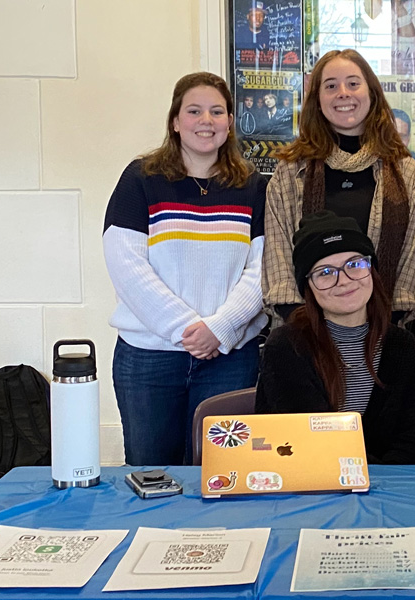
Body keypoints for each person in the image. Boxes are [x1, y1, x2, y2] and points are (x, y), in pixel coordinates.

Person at [103, 72, 267, 466]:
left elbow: (263, 268)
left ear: (230, 123)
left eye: (216, 111)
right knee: (152, 473)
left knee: (225, 473)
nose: (205, 121)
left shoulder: (254, 187)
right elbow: (126, 264)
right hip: (149, 359)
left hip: (230, 356)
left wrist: (220, 329)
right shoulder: (141, 179)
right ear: (175, 121)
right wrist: (189, 331)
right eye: (194, 111)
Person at [263, 49, 415, 332]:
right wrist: (311, 330)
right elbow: (278, 263)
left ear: (372, 93)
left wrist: (376, 332)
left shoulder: (406, 172)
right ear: (317, 100)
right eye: (330, 86)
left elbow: (411, 266)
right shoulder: (291, 172)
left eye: (353, 83)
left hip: (388, 331)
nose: (343, 93)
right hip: (305, 334)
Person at [256, 210, 415, 464]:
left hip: (387, 489)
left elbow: (409, 439)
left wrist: (382, 489)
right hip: (309, 488)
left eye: (354, 265)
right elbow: (310, 445)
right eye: (325, 272)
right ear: (308, 287)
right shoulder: (286, 347)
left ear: (372, 270)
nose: (344, 281)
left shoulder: (401, 345)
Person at [391, 108, 415, 175]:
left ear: (408, 138)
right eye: (392, 136)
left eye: (402, 136)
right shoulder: (373, 163)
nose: (396, 142)